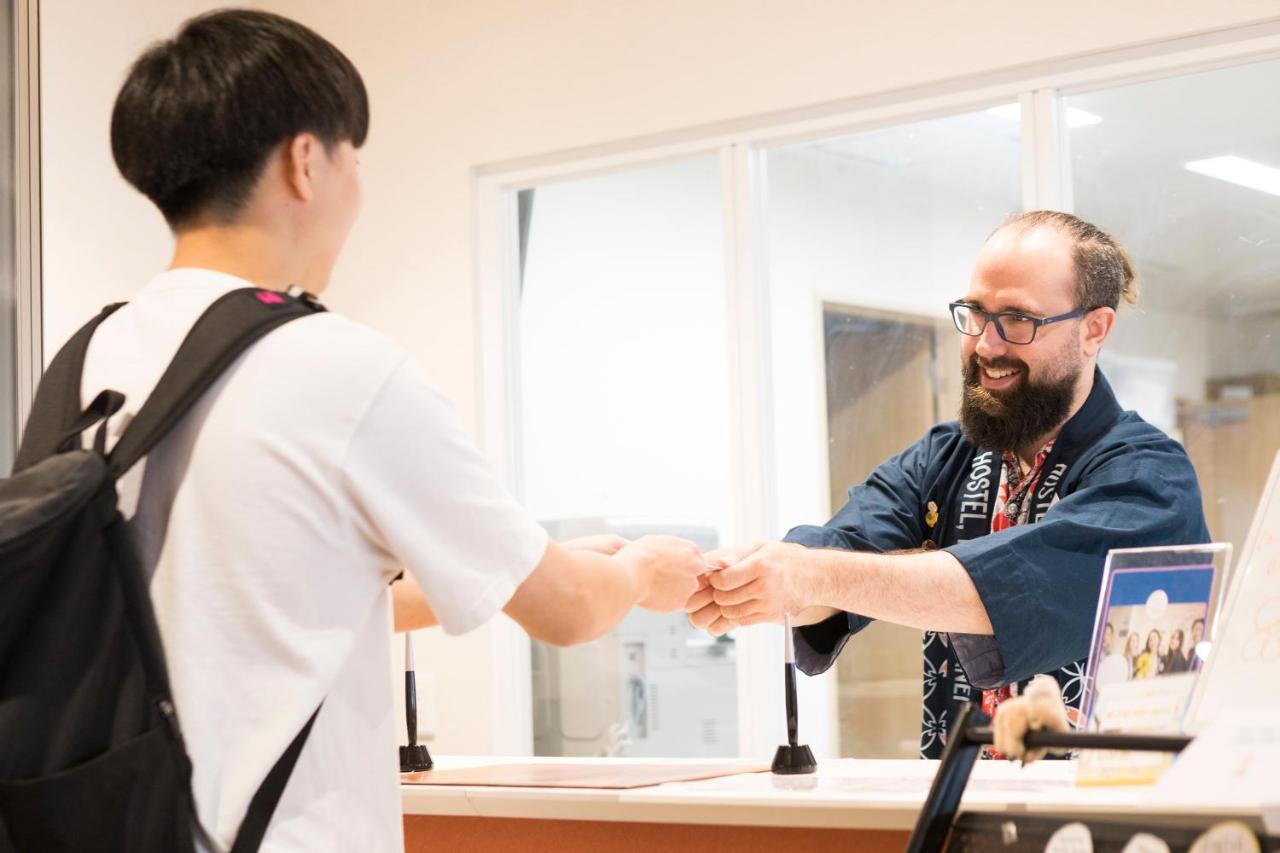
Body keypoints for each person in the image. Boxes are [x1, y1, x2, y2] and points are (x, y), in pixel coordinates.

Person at [89, 10, 706, 851]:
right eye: (354, 156)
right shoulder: (337, 366)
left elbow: (257, 604)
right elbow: (563, 613)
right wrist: (641, 568)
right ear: (306, 161)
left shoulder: (87, 363)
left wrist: (530, 557)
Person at [685, 211, 1210, 757]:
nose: (986, 344)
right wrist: (745, 580)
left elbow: (1001, 589)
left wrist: (812, 575)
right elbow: (838, 562)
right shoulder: (945, 455)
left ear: (1094, 330)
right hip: (957, 810)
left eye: (1018, 320)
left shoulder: (1150, 479)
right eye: (976, 314)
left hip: (1106, 823)